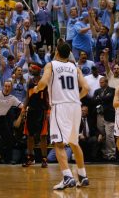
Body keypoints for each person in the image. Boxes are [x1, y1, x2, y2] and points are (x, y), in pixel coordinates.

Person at [33, 42, 90, 189]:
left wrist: (36, 89)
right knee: (74, 142)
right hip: (76, 105)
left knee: (58, 144)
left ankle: (67, 176)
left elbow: (43, 83)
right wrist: (76, 97)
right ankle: (82, 176)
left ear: (56, 51)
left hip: (60, 106)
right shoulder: (75, 67)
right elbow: (87, 88)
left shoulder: (51, 65)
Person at [22, 62, 49, 168]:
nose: (31, 70)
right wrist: (24, 109)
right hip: (32, 110)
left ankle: (44, 159)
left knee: (43, 136)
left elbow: (48, 97)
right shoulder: (29, 82)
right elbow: (27, 98)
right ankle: (30, 158)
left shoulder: (44, 81)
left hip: (42, 111)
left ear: (38, 70)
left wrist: (49, 111)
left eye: (33, 68)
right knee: (29, 135)